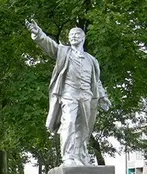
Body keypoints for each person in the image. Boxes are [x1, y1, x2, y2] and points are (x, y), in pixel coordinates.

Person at [25, 20, 111, 166]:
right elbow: (49, 44)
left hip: (87, 96)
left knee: (84, 128)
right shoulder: (63, 52)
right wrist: (38, 33)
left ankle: (81, 156)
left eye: (76, 34)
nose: (73, 36)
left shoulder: (92, 60)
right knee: (69, 123)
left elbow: (96, 81)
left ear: (83, 38)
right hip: (68, 94)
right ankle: (69, 157)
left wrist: (103, 96)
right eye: (71, 35)